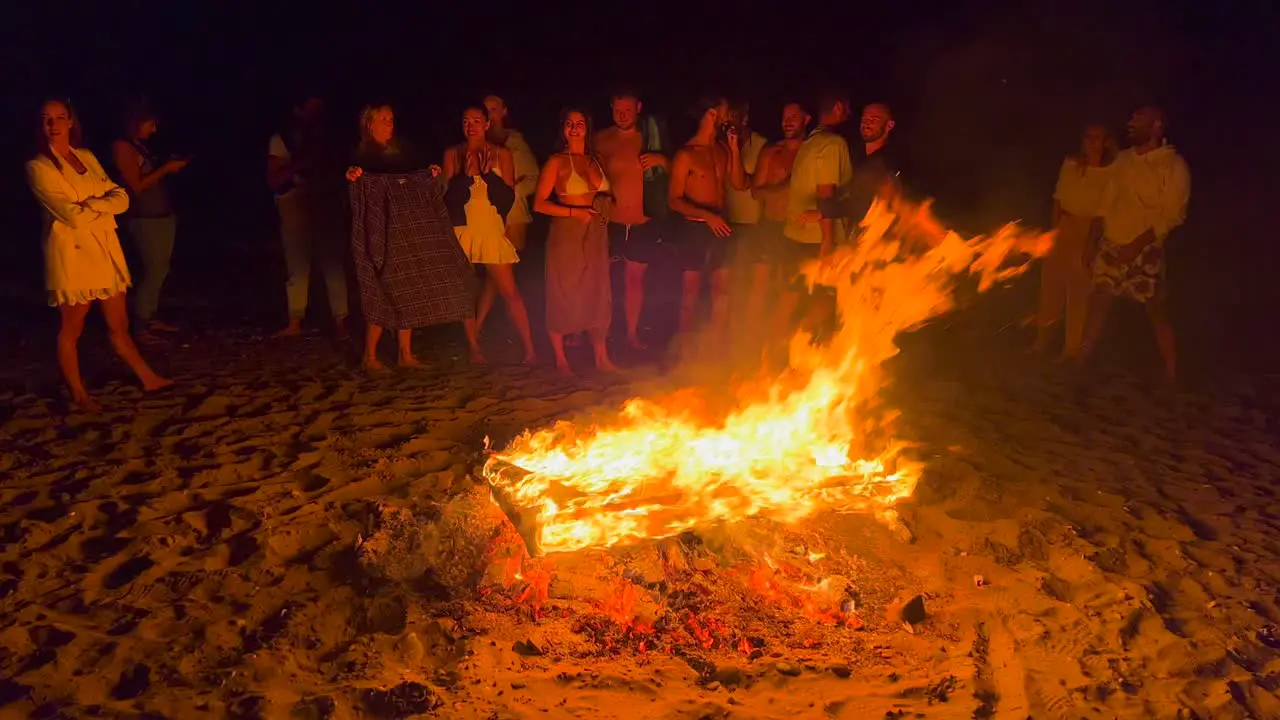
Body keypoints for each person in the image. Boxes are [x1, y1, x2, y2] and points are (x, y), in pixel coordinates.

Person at [26, 99, 172, 411]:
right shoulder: (39, 166)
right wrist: (101, 205)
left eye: (59, 118)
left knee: (118, 324)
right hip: (74, 255)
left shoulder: (87, 157)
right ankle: (79, 393)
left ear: (70, 122)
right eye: (46, 119)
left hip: (104, 248)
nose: (53, 124)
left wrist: (93, 205)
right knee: (72, 327)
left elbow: (121, 197)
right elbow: (69, 215)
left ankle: (148, 377)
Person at [346, 105, 482, 369]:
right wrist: (353, 176)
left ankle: (405, 354)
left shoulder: (402, 152)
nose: (389, 123)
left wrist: (429, 174)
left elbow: (413, 179)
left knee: (406, 289)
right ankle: (370, 356)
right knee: (381, 286)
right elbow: (356, 186)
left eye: (391, 119)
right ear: (369, 124)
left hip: (407, 231)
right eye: (383, 119)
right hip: (381, 232)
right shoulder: (362, 155)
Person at [1080, 106, 1190, 381]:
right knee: (1098, 303)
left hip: (1146, 248)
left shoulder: (1173, 166)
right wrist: (1092, 241)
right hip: (1112, 244)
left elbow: (1172, 215)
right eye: (1130, 118)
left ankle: (1172, 374)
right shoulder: (1123, 160)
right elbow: (1105, 204)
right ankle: (1080, 364)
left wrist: (1137, 245)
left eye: (1138, 119)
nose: (1130, 123)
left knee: (1157, 312)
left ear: (1157, 126)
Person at [443, 105, 537, 364]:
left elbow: (507, 198)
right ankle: (474, 347)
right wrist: (466, 177)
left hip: (490, 225)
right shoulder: (453, 153)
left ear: (486, 123)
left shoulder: (501, 153)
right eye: (465, 121)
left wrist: (486, 176)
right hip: (463, 226)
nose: (470, 126)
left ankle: (530, 349)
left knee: (510, 290)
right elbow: (448, 198)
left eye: (476, 120)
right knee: (466, 291)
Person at [533, 108, 618, 375]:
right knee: (563, 291)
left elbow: (609, 194)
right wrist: (575, 212)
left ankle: (601, 358)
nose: (574, 128)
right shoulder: (556, 162)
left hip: (595, 233)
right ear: (563, 129)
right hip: (567, 231)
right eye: (569, 123)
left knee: (597, 291)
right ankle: (561, 359)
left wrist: (606, 208)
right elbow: (539, 204)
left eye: (579, 123)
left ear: (587, 128)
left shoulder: (596, 160)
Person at [772, 91, 854, 350]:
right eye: (849, 109)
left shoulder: (810, 142)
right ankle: (811, 355)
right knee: (822, 299)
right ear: (839, 108)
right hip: (818, 238)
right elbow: (825, 192)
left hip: (795, 235)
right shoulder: (833, 143)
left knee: (792, 296)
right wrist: (828, 241)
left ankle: (775, 355)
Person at [266, 93, 350, 339]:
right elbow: (274, 179)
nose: (316, 117)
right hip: (295, 207)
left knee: (333, 266)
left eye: (319, 111)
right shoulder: (282, 141)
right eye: (311, 110)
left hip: (325, 206)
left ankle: (341, 321)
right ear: (297, 111)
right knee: (297, 267)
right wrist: (300, 164)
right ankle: (295, 321)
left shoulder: (328, 142)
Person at [667, 96, 749, 339]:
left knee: (722, 292)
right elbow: (674, 199)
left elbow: (739, 184)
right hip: (695, 229)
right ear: (711, 113)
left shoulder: (723, 149)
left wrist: (734, 149)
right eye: (724, 111)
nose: (728, 116)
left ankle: (715, 347)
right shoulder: (687, 154)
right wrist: (706, 216)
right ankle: (682, 349)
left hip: (721, 227)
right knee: (691, 293)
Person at [593, 89, 669, 349]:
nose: (622, 114)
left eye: (627, 109)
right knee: (601, 279)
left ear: (638, 108)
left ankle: (632, 335)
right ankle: (596, 332)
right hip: (611, 221)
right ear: (611, 108)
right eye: (617, 109)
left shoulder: (651, 139)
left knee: (634, 281)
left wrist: (662, 160)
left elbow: (679, 170)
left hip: (641, 221)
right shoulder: (601, 139)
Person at [1031, 124, 1114, 359]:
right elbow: (1058, 199)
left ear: (1106, 141)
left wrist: (1090, 245)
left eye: (1097, 137)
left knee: (1078, 292)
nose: (1092, 141)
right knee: (1050, 286)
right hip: (1064, 227)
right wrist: (1053, 233)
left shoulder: (1110, 173)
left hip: (1087, 230)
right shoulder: (1071, 164)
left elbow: (1101, 214)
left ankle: (1070, 350)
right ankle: (1041, 341)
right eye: (1088, 136)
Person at [110, 101, 187, 343]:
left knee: (160, 269)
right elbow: (137, 186)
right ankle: (140, 325)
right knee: (152, 270)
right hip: (145, 219)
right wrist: (165, 169)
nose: (153, 129)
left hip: (161, 217)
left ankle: (151, 316)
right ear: (137, 122)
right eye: (150, 124)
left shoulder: (138, 146)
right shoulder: (122, 147)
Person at [483, 94, 539, 251]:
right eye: (485, 110)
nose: (489, 115)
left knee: (510, 266)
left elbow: (533, 177)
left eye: (493, 109)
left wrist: (512, 193)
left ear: (504, 111)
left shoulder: (515, 142)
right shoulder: (476, 143)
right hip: (484, 216)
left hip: (513, 216)